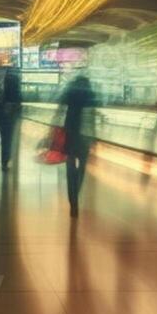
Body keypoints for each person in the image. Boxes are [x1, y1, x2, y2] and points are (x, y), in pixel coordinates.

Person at [59, 74, 96, 217]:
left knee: (70, 168)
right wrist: (93, 138)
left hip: (70, 135)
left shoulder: (70, 94)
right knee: (82, 168)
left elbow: (60, 110)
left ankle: (72, 200)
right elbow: (91, 117)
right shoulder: (90, 95)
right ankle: (76, 193)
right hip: (84, 137)